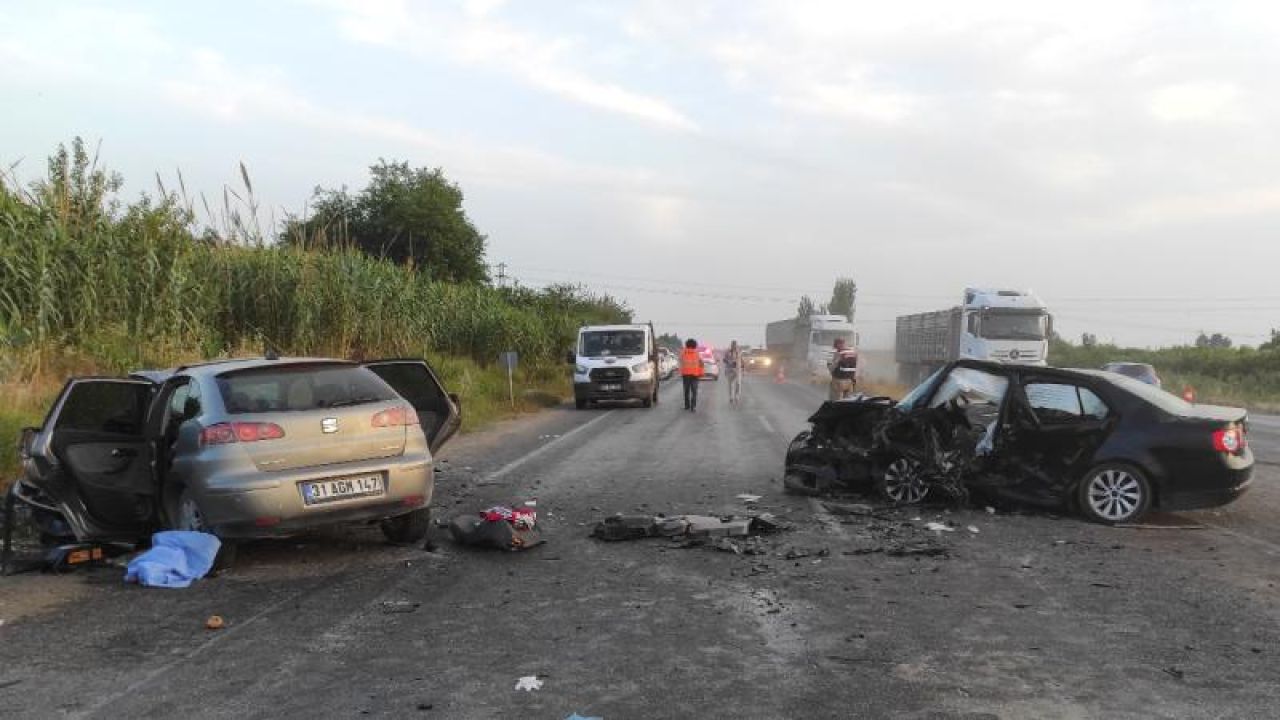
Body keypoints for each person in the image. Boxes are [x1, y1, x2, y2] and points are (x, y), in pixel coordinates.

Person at [679, 338, 704, 411]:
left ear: (686, 345)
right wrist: (701, 373)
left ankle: (687, 406)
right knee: (694, 391)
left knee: (686, 391)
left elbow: (680, 363)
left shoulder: (683, 353)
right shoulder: (697, 353)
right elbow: (701, 364)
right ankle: (693, 407)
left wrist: (681, 372)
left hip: (686, 375)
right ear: (695, 345)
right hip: (695, 375)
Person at [723, 340, 744, 405]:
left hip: (738, 370)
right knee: (731, 385)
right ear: (731, 345)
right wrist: (729, 362)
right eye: (733, 345)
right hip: (730, 370)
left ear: (736, 345)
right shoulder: (727, 352)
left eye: (735, 345)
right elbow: (724, 359)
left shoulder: (739, 352)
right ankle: (731, 397)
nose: (734, 346)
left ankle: (737, 396)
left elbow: (741, 360)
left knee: (738, 384)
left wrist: (743, 367)